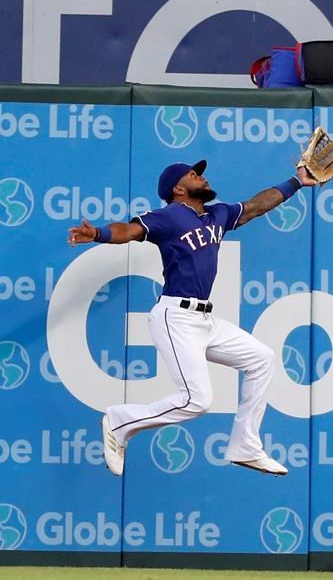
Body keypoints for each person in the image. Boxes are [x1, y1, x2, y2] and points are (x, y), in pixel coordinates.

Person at [68, 159, 317, 477]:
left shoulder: (217, 215)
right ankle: (120, 421)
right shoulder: (169, 216)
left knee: (262, 359)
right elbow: (129, 230)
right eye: (194, 174)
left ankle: (246, 446)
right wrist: (99, 233)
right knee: (197, 401)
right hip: (175, 318)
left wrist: (296, 182)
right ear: (179, 188)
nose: (202, 176)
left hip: (204, 321)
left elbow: (256, 206)